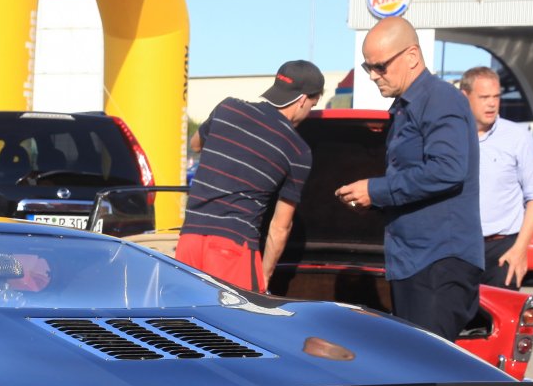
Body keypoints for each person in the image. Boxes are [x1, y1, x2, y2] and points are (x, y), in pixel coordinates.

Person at [334, 17, 483, 340]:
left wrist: (377, 190)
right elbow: (415, 180)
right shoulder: (405, 107)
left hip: (438, 261)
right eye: (367, 67)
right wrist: (372, 200)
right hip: (414, 260)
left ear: (412, 56)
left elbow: (448, 169)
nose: (373, 75)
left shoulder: (440, 98)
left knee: (427, 363)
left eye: (380, 66)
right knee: (414, 359)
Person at [174, 60, 324, 292]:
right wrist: (264, 276)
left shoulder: (227, 108)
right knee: (235, 316)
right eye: (313, 106)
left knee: (187, 313)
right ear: (303, 100)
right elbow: (280, 227)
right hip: (233, 250)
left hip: (189, 241)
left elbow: (196, 145)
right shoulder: (297, 150)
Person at [461, 65, 533, 289]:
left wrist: (520, 248)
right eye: (484, 97)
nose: (492, 104)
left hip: (503, 251)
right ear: (465, 96)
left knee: (501, 311)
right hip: (458, 249)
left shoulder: (517, 137)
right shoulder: (450, 136)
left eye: (496, 97)